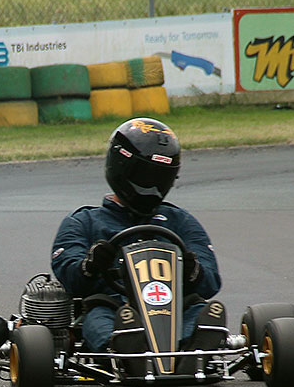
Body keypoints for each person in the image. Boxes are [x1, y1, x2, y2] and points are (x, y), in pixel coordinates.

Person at [50, 117, 223, 362]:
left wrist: (193, 270)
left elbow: (211, 281)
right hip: (114, 307)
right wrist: (91, 265)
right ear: (121, 166)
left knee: (198, 310)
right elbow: (69, 277)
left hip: (172, 308)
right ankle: (124, 348)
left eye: (160, 177)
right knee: (98, 317)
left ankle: (195, 347)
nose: (153, 185)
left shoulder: (179, 221)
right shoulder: (85, 221)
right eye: (146, 175)